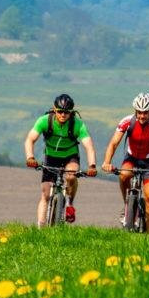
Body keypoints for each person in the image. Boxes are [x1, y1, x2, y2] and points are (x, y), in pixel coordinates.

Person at [101, 92, 149, 233]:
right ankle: (127, 204)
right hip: (132, 158)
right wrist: (107, 162)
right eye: (139, 112)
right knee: (124, 175)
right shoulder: (127, 121)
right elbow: (114, 143)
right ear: (135, 111)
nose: (142, 116)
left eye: (145, 113)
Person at [24, 93, 97, 226]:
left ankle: (69, 202)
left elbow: (89, 146)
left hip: (70, 156)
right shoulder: (45, 120)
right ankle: (40, 226)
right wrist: (30, 157)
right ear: (54, 109)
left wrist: (92, 165)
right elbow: (30, 139)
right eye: (60, 111)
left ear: (71, 112)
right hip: (51, 157)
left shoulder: (77, 124)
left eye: (67, 112)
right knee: (45, 194)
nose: (63, 115)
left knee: (71, 176)